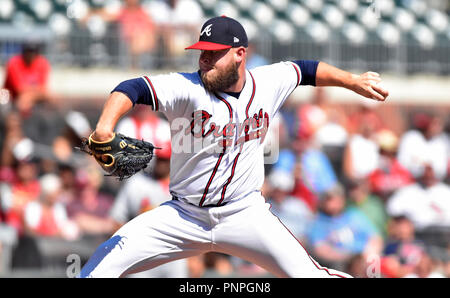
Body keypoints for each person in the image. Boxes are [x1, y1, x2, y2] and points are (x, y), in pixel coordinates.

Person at [79, 16, 388, 278]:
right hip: (183, 216)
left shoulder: (268, 81)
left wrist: (351, 81)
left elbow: (306, 69)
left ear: (240, 54)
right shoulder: (185, 88)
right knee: (96, 270)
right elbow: (131, 88)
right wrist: (105, 126)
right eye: (202, 52)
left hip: (245, 214)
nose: (205, 59)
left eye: (214, 53)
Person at [2, 42, 54, 117]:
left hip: (30, 97)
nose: (30, 55)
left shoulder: (42, 63)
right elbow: (19, 89)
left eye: (33, 52)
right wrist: (34, 91)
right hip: (10, 96)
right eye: (28, 51)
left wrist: (30, 96)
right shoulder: (14, 62)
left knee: (50, 99)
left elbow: (43, 88)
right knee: (20, 102)